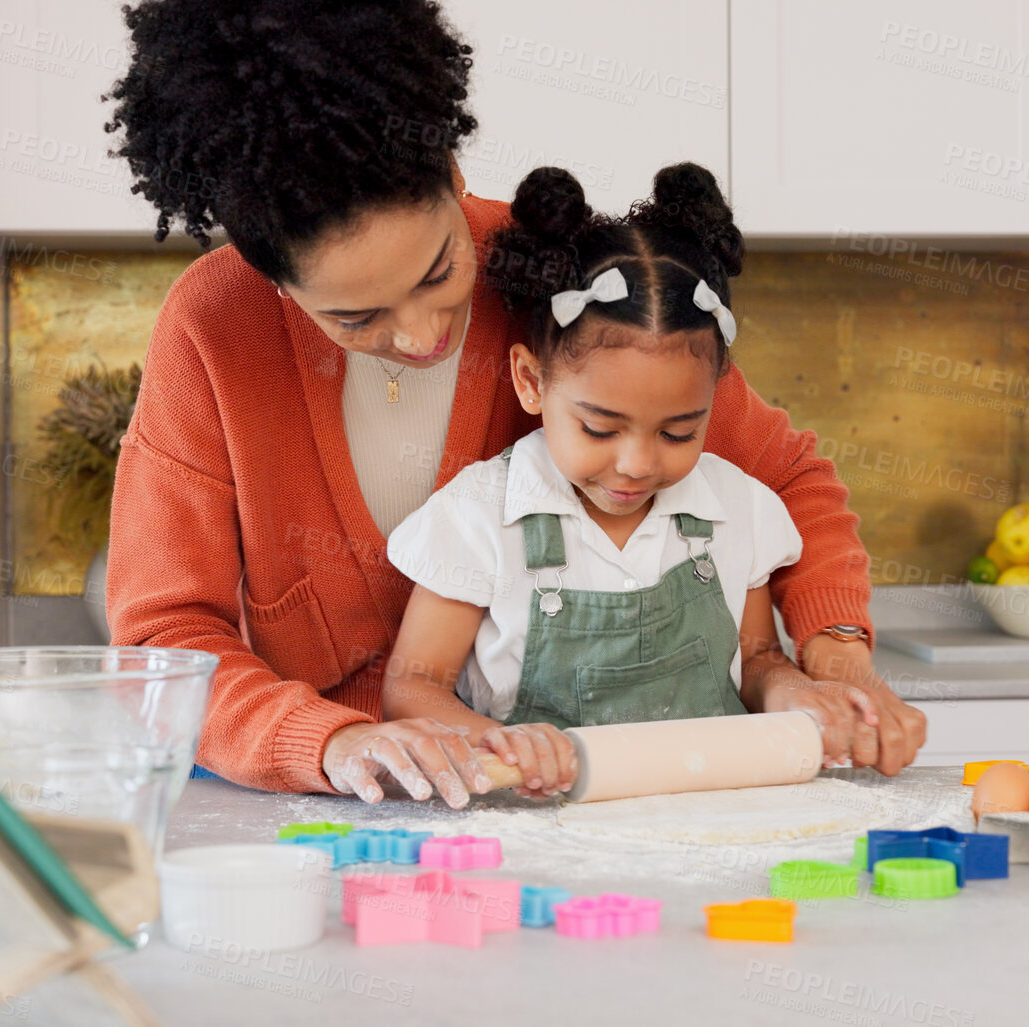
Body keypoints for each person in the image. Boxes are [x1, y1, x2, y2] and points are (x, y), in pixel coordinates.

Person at [103, 0, 924, 808]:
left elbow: (790, 478)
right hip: (334, 802)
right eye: (356, 317)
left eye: (437, 271)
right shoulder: (214, 330)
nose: (423, 335)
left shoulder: (558, 280)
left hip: (556, 797)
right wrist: (330, 741)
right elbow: (162, 639)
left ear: (453, 177)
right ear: (272, 278)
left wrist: (835, 656)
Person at [381, 164, 879, 799]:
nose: (639, 464)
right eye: (600, 429)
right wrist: (490, 741)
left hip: (712, 821)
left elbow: (757, 661)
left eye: (678, 432)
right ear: (531, 382)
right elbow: (410, 688)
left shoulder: (738, 510)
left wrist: (800, 692)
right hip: (536, 831)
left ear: (713, 402)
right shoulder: (478, 516)